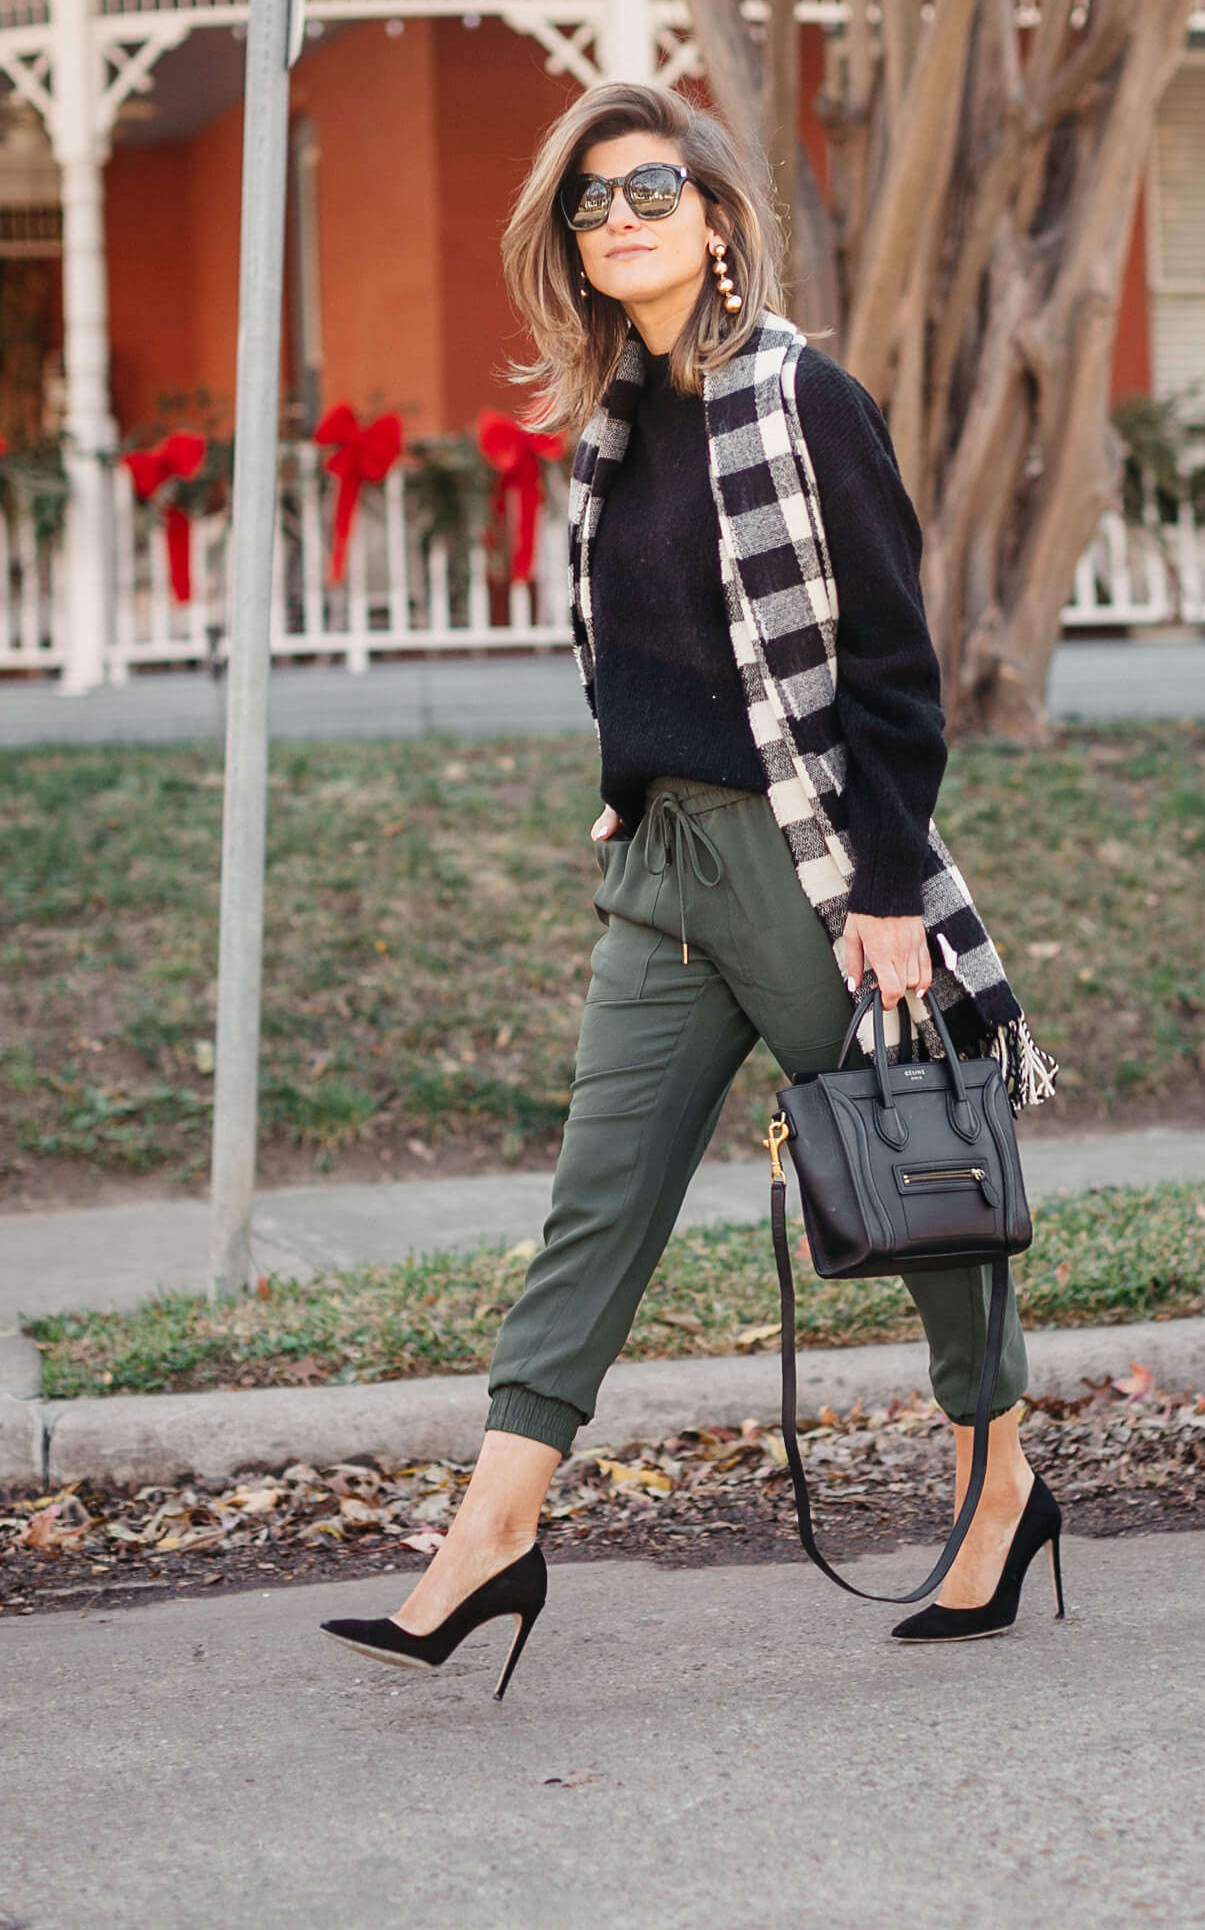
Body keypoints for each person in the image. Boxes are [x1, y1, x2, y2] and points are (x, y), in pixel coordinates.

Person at [321, 83, 1060, 1696]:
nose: (620, 218)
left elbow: (894, 670)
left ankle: (1001, 1483)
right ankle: (490, 1537)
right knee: (597, 1203)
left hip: (808, 871)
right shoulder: (615, 428)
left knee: (918, 1185)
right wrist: (630, 781)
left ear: (717, 217)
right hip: (663, 873)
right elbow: (643, 648)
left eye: (651, 188)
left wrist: (885, 890)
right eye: (589, 202)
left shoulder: (805, 400)